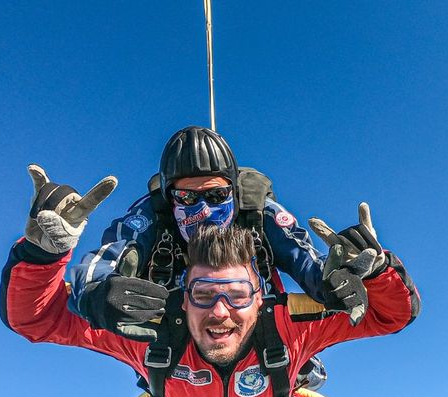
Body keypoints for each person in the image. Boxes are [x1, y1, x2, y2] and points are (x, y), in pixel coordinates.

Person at [0, 179, 420, 397]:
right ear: (181, 301)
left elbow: (390, 315)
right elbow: (37, 320)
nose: (220, 311)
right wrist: (43, 253)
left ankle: (301, 381)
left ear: (262, 300)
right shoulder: (150, 333)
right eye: (202, 294)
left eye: (236, 294)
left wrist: (377, 270)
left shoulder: (288, 325)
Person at [64, 126, 369, 343]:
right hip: (178, 338)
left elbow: (307, 261)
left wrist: (335, 282)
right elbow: (106, 256)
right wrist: (95, 294)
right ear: (170, 198)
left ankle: (298, 375)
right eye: (186, 197)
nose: (203, 210)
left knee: (304, 376)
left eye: (216, 195)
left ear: (234, 192)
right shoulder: (149, 217)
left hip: (259, 331)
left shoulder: (260, 212)